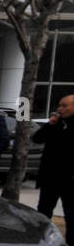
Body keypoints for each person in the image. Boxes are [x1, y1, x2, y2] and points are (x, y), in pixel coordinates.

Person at [35, 94, 74, 234]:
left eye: (64, 106)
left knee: (70, 214)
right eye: (59, 105)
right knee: (43, 212)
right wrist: (50, 124)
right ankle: (40, 240)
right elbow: (37, 138)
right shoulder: (56, 124)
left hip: (70, 179)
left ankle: (70, 245)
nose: (60, 109)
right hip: (50, 177)